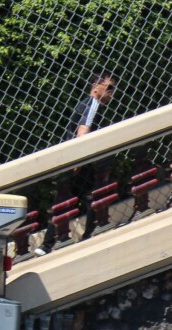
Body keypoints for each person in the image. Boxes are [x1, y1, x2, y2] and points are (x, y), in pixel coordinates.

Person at [35, 71, 118, 255]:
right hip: (79, 161)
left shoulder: (85, 104)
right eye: (109, 87)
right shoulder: (92, 105)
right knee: (86, 196)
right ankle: (81, 235)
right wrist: (78, 160)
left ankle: (48, 243)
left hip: (74, 160)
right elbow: (83, 132)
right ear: (96, 87)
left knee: (69, 198)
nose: (113, 92)